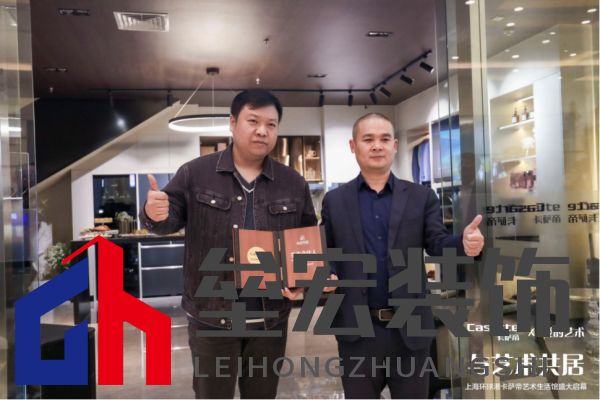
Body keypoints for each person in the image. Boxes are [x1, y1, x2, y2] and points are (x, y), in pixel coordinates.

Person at [140, 89, 317, 398]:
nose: (262, 131)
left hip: (269, 318)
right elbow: (167, 221)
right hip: (211, 318)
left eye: (271, 124)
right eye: (253, 121)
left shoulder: (293, 182)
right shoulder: (195, 173)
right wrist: (152, 213)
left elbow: (305, 241)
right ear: (232, 123)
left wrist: (301, 281)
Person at [320, 113, 484, 399]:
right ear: (353, 145)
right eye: (368, 139)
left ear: (395, 145)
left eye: (385, 139)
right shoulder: (335, 201)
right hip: (357, 331)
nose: (377, 145)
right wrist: (326, 273)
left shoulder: (421, 197)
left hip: (410, 330)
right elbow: (326, 253)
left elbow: (437, 243)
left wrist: (464, 244)